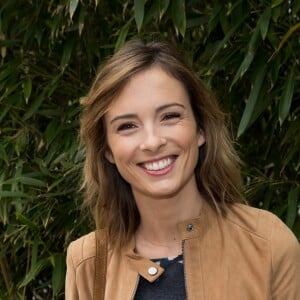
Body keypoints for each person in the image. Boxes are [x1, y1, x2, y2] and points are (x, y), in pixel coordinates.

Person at [65, 40, 300, 299]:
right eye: (127, 126)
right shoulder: (88, 262)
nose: (153, 142)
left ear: (200, 129)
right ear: (107, 149)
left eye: (170, 116)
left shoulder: (267, 244)